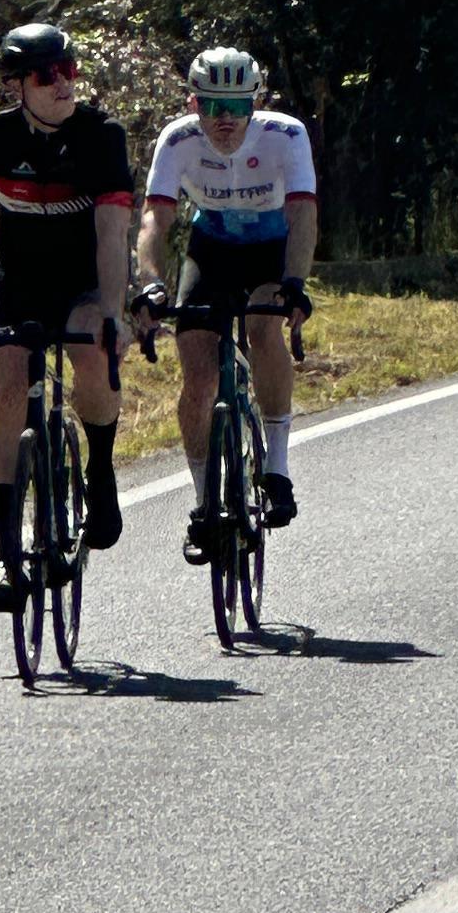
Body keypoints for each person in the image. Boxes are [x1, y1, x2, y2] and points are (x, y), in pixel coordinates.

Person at [0, 21, 133, 613]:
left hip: (83, 279)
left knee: (91, 348)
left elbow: (111, 230)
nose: (63, 84)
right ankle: (5, 552)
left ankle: (99, 469)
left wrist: (114, 314)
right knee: (8, 393)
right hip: (18, 282)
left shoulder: (103, 135)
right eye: (48, 76)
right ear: (16, 85)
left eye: (69, 70)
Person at [132, 43, 316, 550]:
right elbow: (156, 220)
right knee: (197, 370)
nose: (224, 119)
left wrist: (295, 283)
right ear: (194, 104)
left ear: (254, 103)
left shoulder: (287, 136)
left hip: (269, 248)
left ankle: (276, 467)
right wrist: (151, 282)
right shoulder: (177, 141)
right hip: (210, 248)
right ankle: (203, 500)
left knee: (262, 328)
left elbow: (302, 214)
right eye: (212, 106)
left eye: (236, 107)